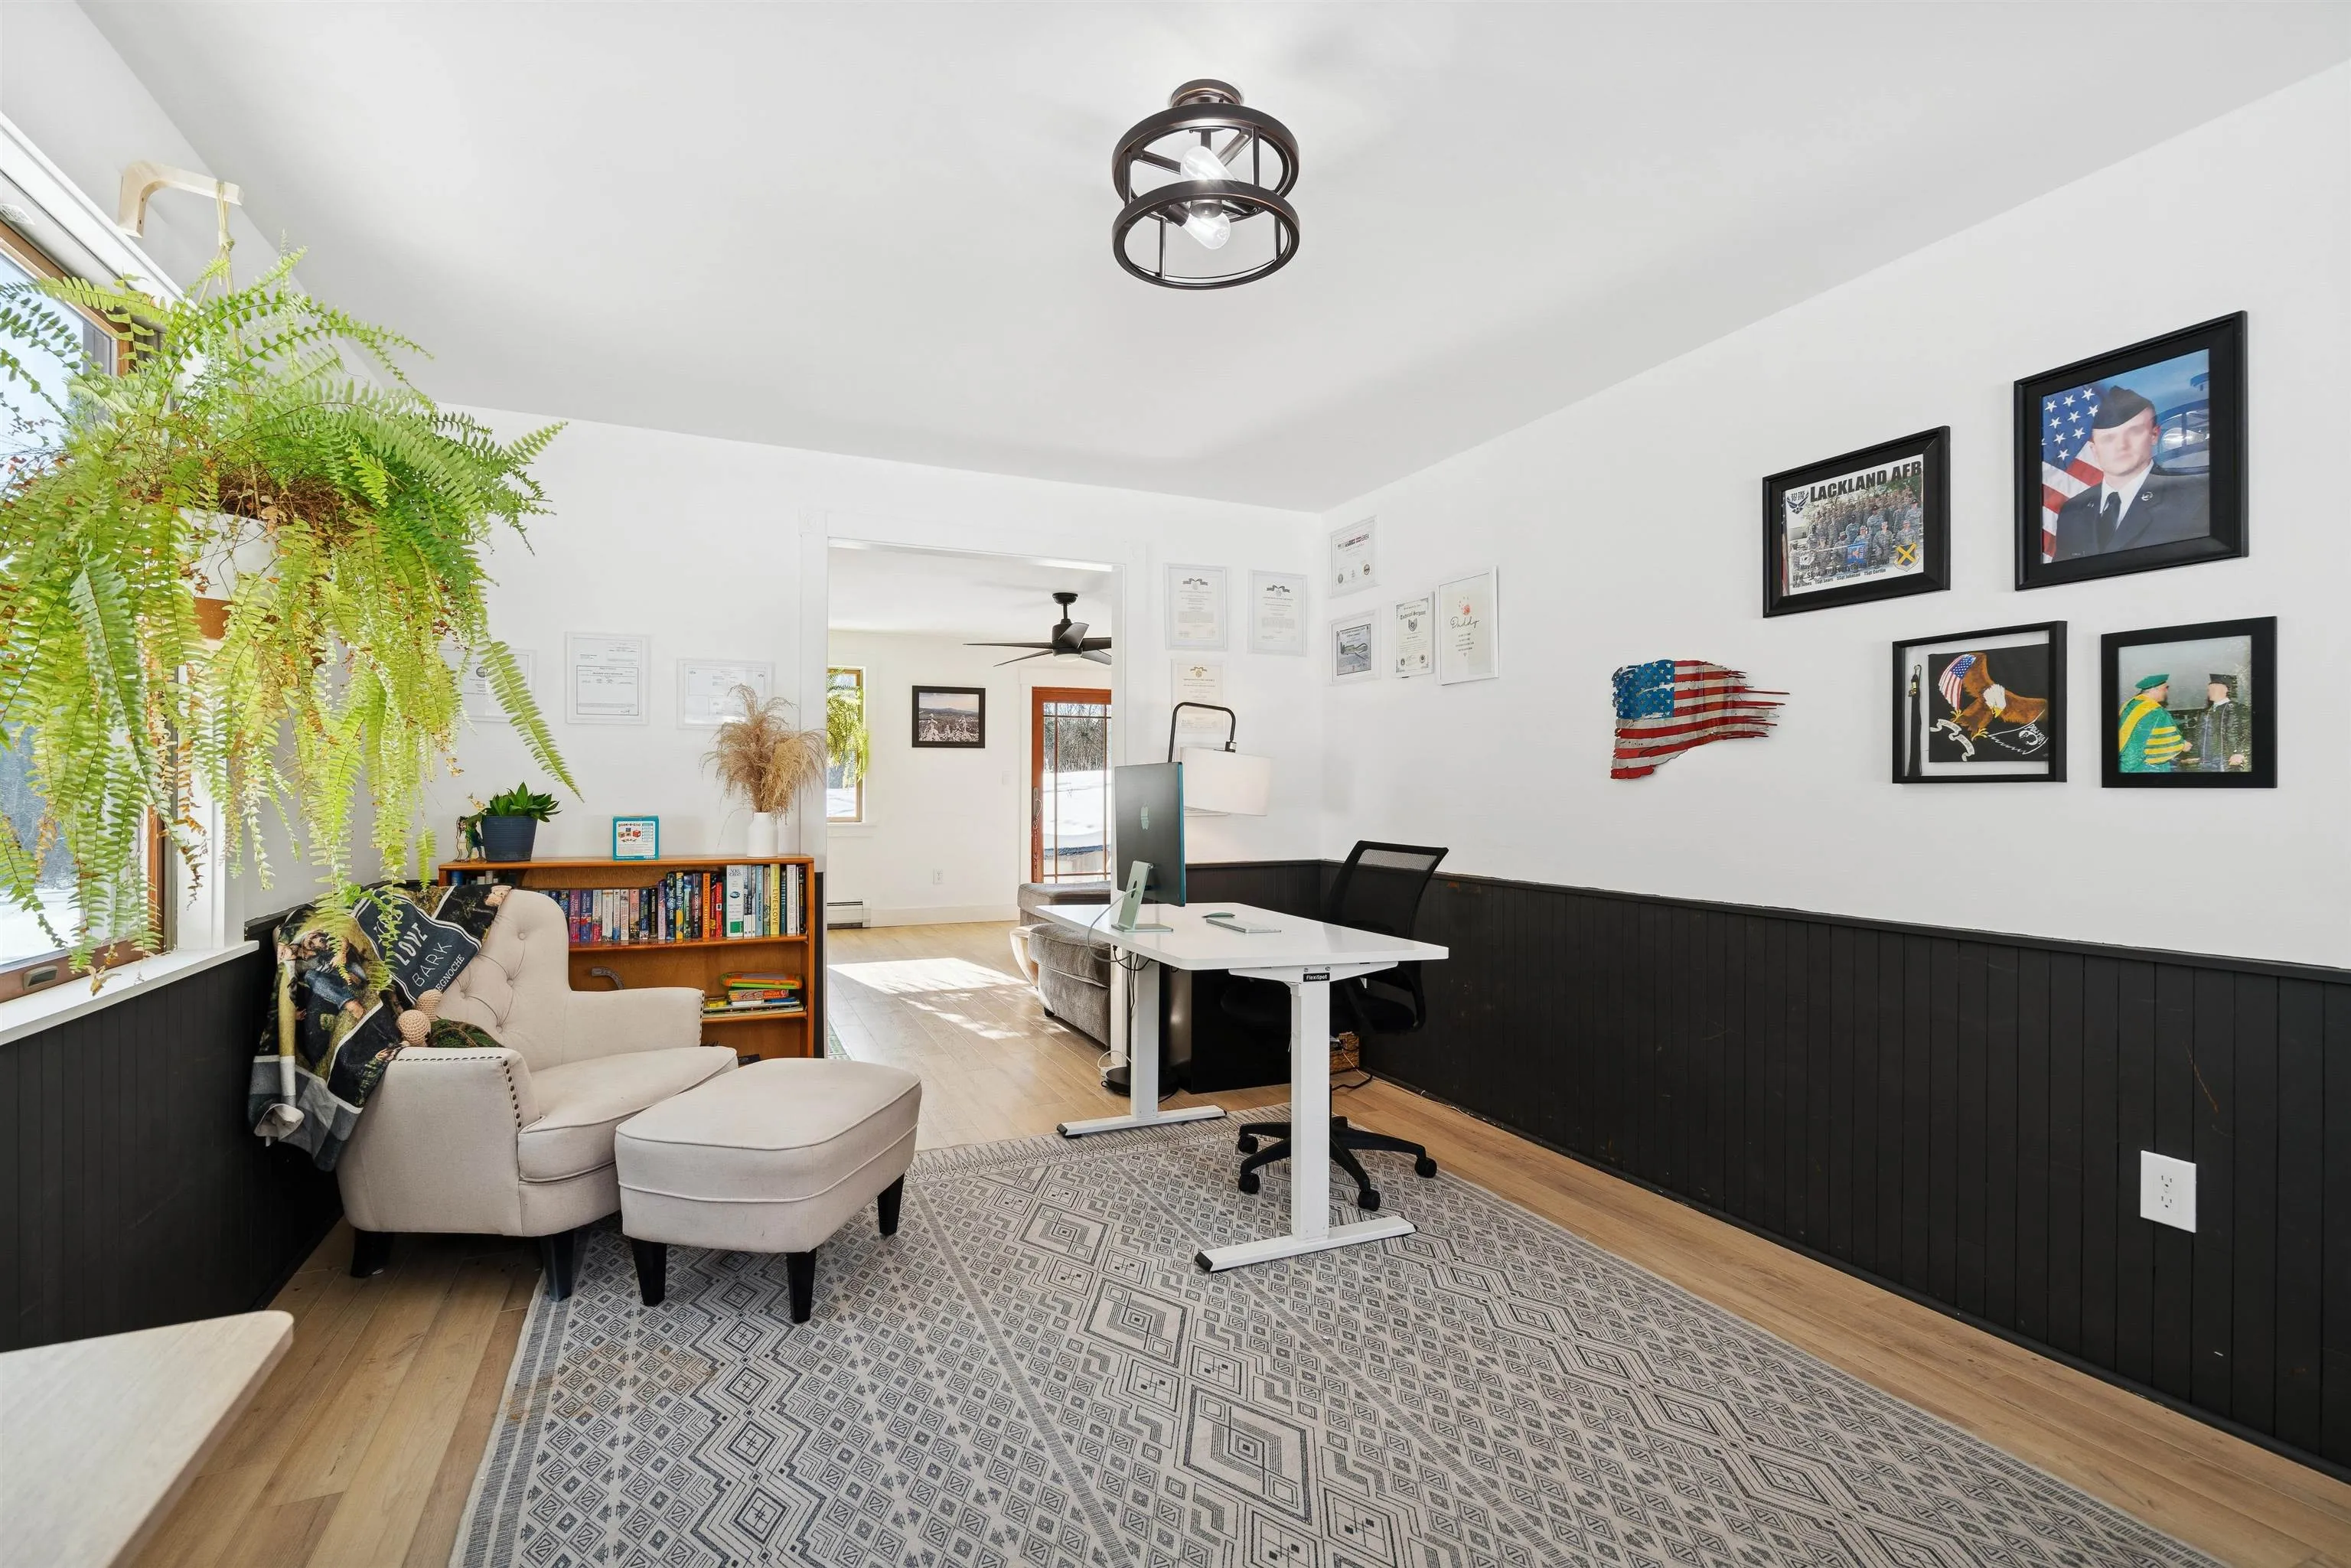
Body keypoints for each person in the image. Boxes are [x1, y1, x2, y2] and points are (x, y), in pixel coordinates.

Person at [2052, 385, 2210, 560]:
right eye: (2109, 438)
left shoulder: (2193, 498)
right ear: (2094, 450)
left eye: (2134, 432)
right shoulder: (2073, 511)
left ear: (2154, 435)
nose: (2121, 446)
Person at [2117, 673, 2189, 773]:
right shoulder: (2155, 710)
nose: (2167, 691)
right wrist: (2182, 745)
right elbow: (2162, 739)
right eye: (2165, 688)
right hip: (2145, 767)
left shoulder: (2130, 704)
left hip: (2124, 761)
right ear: (2155, 690)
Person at [2188, 673, 2251, 772]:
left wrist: (2240, 753)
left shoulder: (2239, 709)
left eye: (2214, 689)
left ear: (2225, 690)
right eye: (2209, 689)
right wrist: (2193, 754)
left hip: (2228, 760)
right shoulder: (2205, 712)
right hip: (2206, 761)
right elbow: (2199, 735)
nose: (2210, 692)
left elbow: (2249, 732)